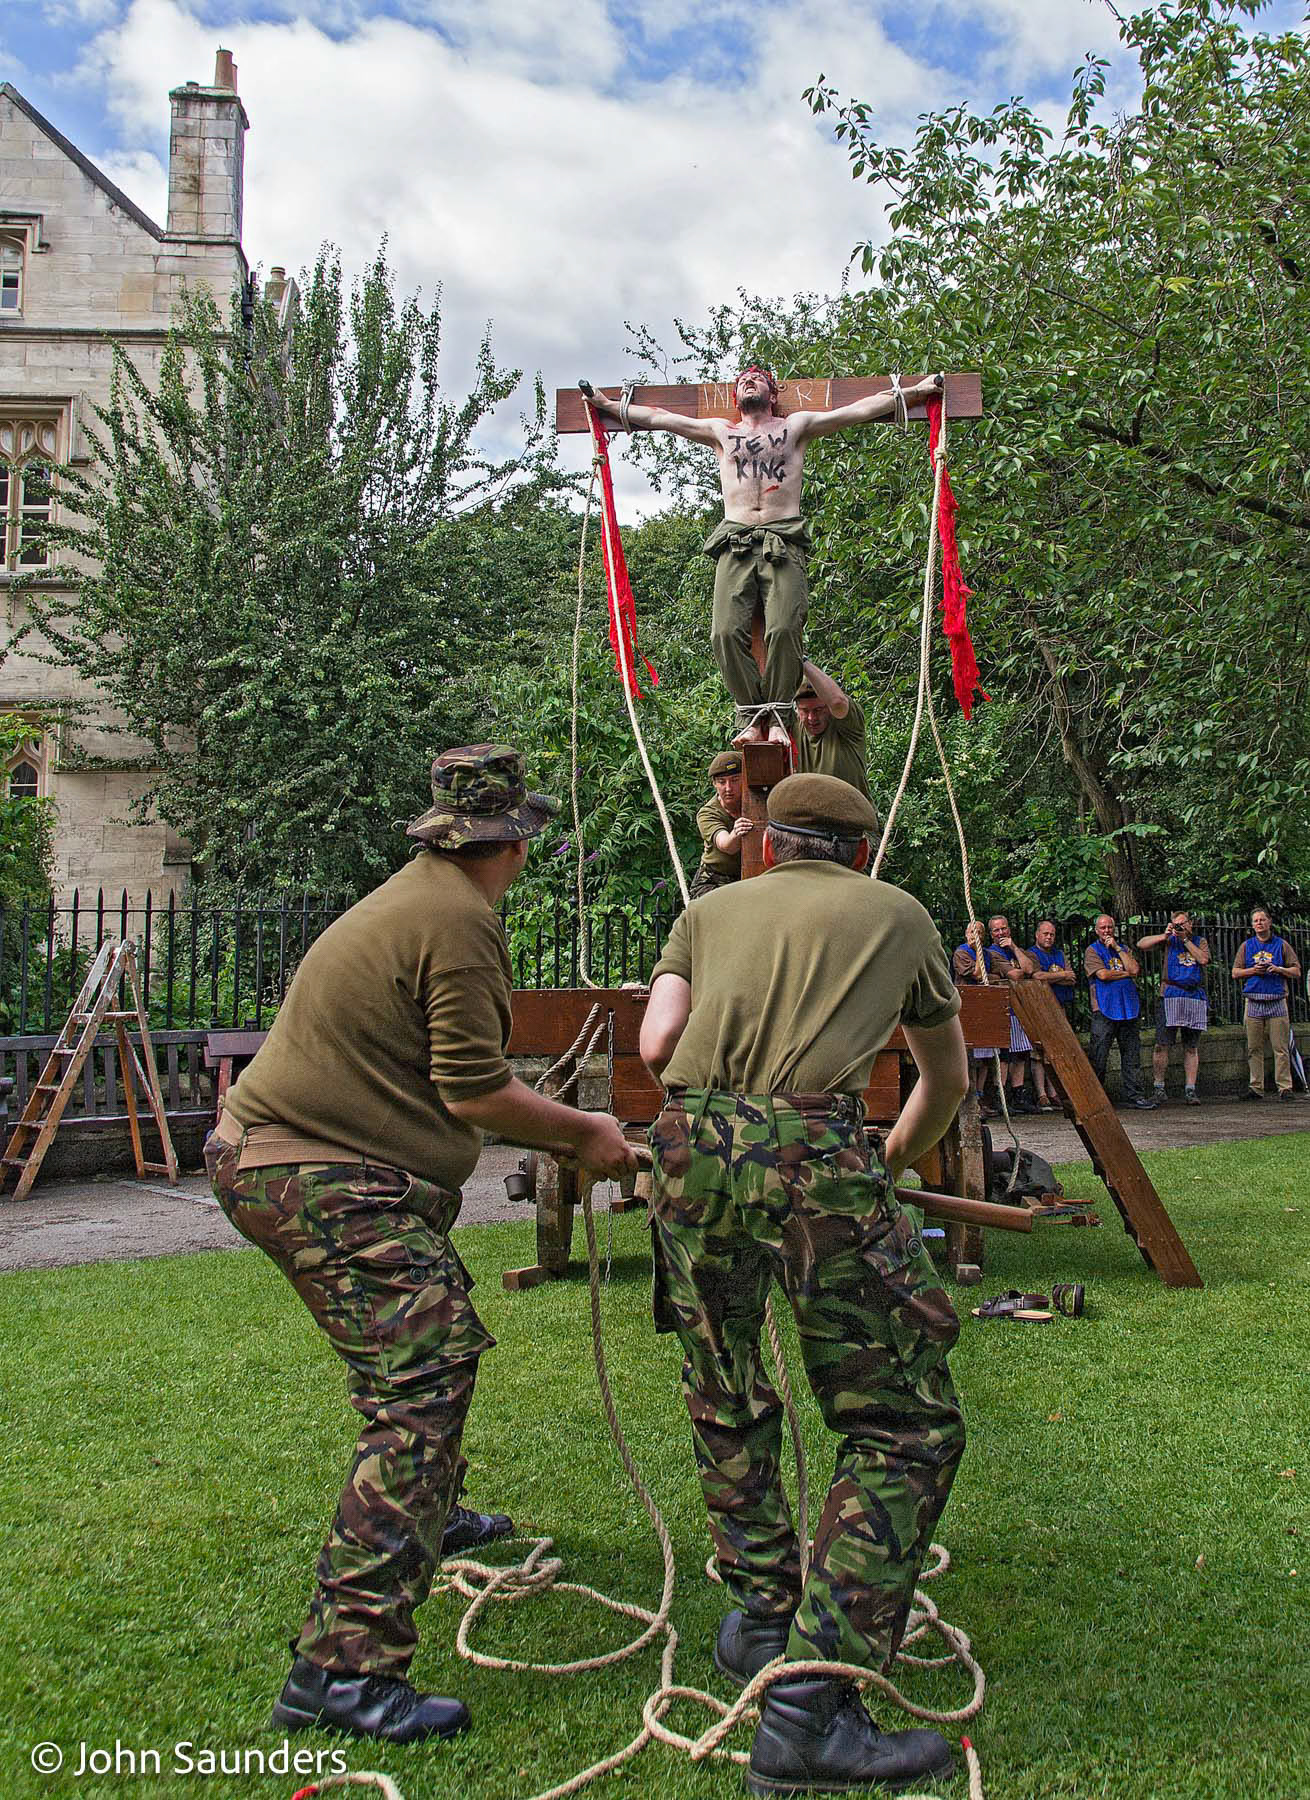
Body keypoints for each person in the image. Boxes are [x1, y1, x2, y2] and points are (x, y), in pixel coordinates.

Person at [206, 746, 637, 1745]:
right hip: (315, 1173)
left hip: (295, 1164)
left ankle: (431, 1521)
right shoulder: (458, 923)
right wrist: (586, 1135)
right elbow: (473, 1090)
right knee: (423, 1378)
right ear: (516, 842)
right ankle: (340, 1675)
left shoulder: (421, 897)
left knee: (421, 1362)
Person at [640, 772, 968, 1798]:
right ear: (858, 851)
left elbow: (656, 1047)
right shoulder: (900, 917)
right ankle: (810, 1708)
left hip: (689, 1144)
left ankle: (760, 1619)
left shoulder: (706, 911)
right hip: (815, 1147)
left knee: (724, 1387)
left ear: (769, 844)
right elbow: (942, 1077)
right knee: (904, 1422)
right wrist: (893, 1163)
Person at [588, 367, 942, 743]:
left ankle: (776, 717)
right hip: (736, 539)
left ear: (772, 394)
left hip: (782, 538)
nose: (748, 382)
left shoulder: (795, 426)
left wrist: (917, 391)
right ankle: (752, 716)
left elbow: (858, 410)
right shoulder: (721, 432)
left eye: (756, 379)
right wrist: (609, 405)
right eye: (741, 380)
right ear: (736, 397)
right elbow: (662, 418)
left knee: (785, 628)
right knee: (724, 632)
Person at [1136, 911, 1210, 1105]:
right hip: (1170, 994)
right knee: (1162, 1043)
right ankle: (1159, 1087)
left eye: (1182, 923)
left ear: (1190, 924)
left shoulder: (1199, 941)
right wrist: (1165, 935)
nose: (1179, 927)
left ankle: (1190, 1089)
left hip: (1193, 995)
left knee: (1191, 1046)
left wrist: (1185, 940)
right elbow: (1141, 944)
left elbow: (1203, 959)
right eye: (1176, 924)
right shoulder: (1169, 941)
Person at [1231, 907, 1303, 1101]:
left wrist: (1278, 969)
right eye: (1255, 921)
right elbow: (1235, 972)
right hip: (1254, 999)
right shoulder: (1246, 946)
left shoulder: (1281, 945)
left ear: (1269, 922)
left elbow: (1296, 971)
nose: (1259, 923)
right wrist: (1253, 970)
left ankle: (1284, 1087)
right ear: (1252, 925)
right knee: (1254, 1047)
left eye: (1262, 920)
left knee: (1280, 1047)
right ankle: (1256, 1086)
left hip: (1276, 999)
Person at [1084, 914, 1155, 1109]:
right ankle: (1096, 1098)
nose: (1106, 931)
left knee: (1131, 1055)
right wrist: (1125, 973)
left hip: (1128, 1009)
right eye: (1102, 928)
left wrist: (1117, 949)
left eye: (1109, 927)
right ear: (1096, 930)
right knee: (1099, 1055)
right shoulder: (1092, 951)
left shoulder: (1122, 949)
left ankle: (1135, 1095)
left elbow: (1134, 969)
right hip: (1104, 1009)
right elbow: (1103, 974)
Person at [951, 919, 1020, 1116]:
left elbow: (1012, 975)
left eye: (980, 933)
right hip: (968, 1009)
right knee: (970, 1057)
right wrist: (983, 964)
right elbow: (979, 975)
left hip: (985, 1009)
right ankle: (970, 1100)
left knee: (987, 1057)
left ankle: (982, 1096)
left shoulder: (989, 953)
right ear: (966, 934)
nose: (976, 937)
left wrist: (992, 974)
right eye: (972, 933)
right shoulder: (962, 953)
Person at [793, 661, 875, 807]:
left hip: (852, 820)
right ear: (797, 709)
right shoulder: (792, 728)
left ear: (828, 707)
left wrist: (801, 659)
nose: (812, 718)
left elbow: (838, 702)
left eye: (819, 710)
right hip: (811, 824)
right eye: (805, 711)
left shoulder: (847, 725)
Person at [987, 914, 1037, 1112]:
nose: (1001, 933)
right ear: (991, 934)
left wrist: (1015, 948)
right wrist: (1021, 971)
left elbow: (1029, 968)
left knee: (1021, 1054)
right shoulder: (992, 953)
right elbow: (1015, 974)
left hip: (1020, 1010)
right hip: (1003, 1008)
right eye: (997, 930)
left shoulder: (1016, 951)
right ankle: (1001, 1097)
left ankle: (1019, 1094)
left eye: (1004, 929)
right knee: (1005, 1056)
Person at [1026, 919, 1076, 1111]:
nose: (1049, 937)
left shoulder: (1059, 954)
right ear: (1037, 935)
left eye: (1052, 934)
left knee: (1056, 1052)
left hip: (1060, 1007)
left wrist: (1055, 977)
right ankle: (1042, 1094)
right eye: (1045, 934)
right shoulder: (1031, 953)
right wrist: (1061, 975)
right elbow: (1037, 977)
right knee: (1039, 1054)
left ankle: (1054, 1092)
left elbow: (1072, 978)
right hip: (1041, 1009)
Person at [689, 749, 752, 900]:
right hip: (714, 880)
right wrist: (736, 832)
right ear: (714, 784)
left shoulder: (757, 805)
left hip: (749, 879)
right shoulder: (708, 813)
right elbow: (727, 845)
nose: (728, 788)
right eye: (722, 782)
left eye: (735, 780)